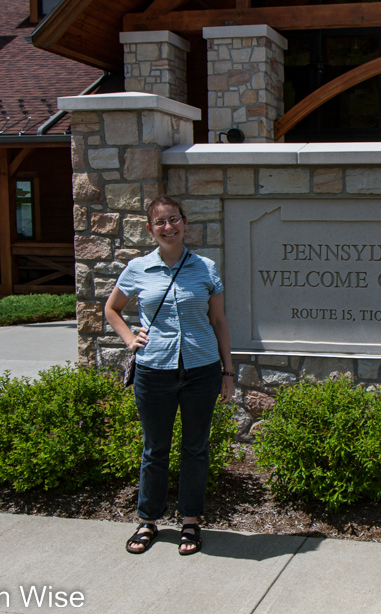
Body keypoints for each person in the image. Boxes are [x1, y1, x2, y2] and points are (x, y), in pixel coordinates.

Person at [105, 195, 235, 556]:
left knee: (195, 448)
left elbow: (219, 321)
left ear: (185, 223)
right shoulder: (137, 269)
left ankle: (190, 521)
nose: (169, 227)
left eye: (174, 219)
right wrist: (130, 338)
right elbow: (112, 309)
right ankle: (148, 520)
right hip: (154, 370)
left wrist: (228, 371)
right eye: (160, 222)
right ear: (150, 229)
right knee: (154, 448)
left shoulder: (206, 268)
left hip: (201, 370)